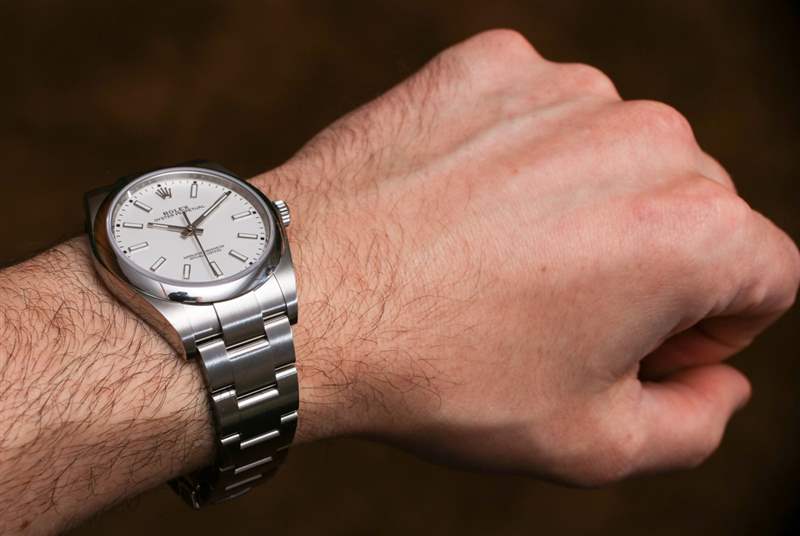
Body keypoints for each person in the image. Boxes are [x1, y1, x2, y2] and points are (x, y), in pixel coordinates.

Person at [0, 30, 797, 534]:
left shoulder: (248, 235)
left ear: (270, 215)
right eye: (172, 228)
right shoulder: (141, 266)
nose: (188, 231)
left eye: (204, 219)